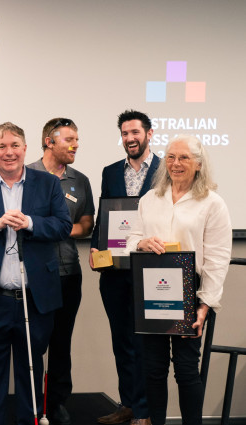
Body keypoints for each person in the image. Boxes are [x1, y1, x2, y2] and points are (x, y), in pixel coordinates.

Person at [0, 122, 71, 425]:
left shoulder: (48, 184)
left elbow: (63, 226)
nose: (9, 152)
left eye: (15, 145)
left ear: (25, 148)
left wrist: (30, 223)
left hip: (35, 299)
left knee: (30, 371)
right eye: (2, 147)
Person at [125, 135, 231, 425]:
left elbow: (218, 259)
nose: (175, 163)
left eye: (183, 157)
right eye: (171, 157)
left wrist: (204, 305)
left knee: (185, 370)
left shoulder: (212, 203)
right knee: (153, 369)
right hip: (152, 291)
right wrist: (142, 243)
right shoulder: (150, 198)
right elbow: (131, 240)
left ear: (198, 163)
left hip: (190, 292)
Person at [90, 110, 160, 425]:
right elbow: (104, 216)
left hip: (151, 268)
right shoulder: (110, 171)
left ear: (149, 133)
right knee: (121, 341)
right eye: (125, 133)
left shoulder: (165, 170)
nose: (129, 138)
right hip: (115, 271)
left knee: (143, 342)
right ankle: (129, 406)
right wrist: (94, 245)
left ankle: (145, 412)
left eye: (135, 132)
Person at [25, 118, 94, 424]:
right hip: (32, 274)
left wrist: (56, 228)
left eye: (77, 139)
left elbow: (87, 223)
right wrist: (54, 227)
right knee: (34, 342)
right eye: (70, 139)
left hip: (68, 273)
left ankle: (55, 403)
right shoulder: (27, 175)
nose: (75, 144)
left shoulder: (80, 180)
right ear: (49, 141)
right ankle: (30, 403)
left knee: (61, 343)